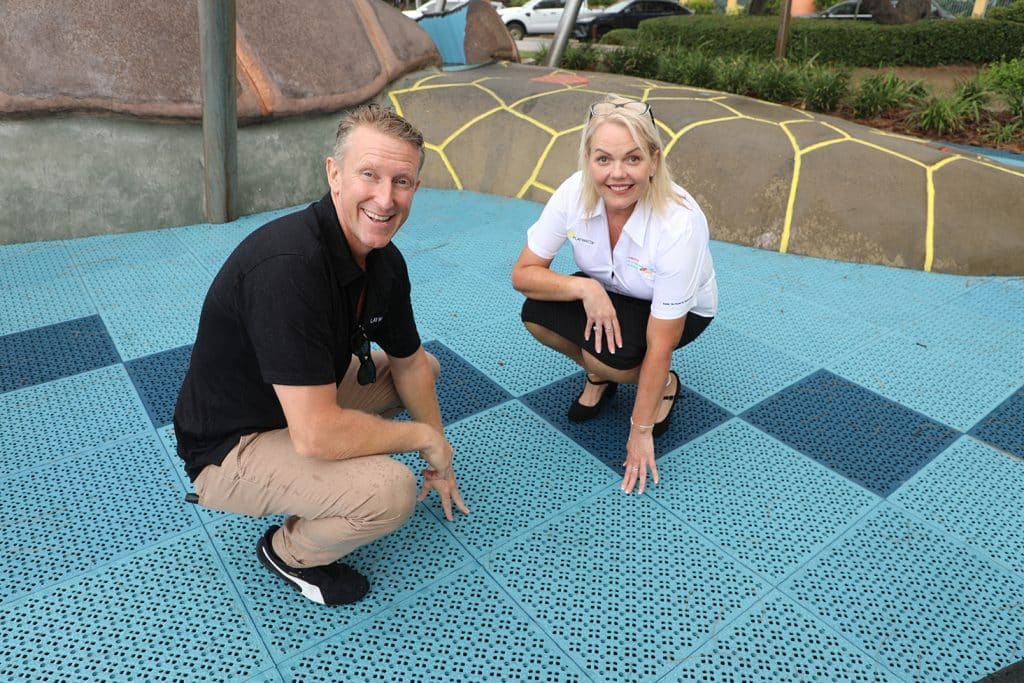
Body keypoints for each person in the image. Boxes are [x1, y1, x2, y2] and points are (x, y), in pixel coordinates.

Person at [173, 104, 469, 607]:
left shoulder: (383, 261)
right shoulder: (288, 268)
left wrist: (439, 455)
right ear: (334, 174)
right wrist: (420, 437)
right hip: (229, 444)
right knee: (389, 491)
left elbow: (411, 362)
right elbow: (316, 435)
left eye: (403, 181)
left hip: (297, 401)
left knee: (423, 371)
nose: (385, 198)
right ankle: (288, 551)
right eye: (369, 175)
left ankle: (324, 473)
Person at [511, 95, 718, 496]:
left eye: (633, 159)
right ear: (588, 159)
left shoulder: (680, 223)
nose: (617, 174)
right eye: (603, 159)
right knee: (535, 313)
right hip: (608, 290)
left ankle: (662, 386)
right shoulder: (574, 193)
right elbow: (523, 274)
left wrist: (640, 431)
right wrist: (584, 287)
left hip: (680, 312)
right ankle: (599, 373)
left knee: (622, 360)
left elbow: (661, 343)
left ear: (654, 161)